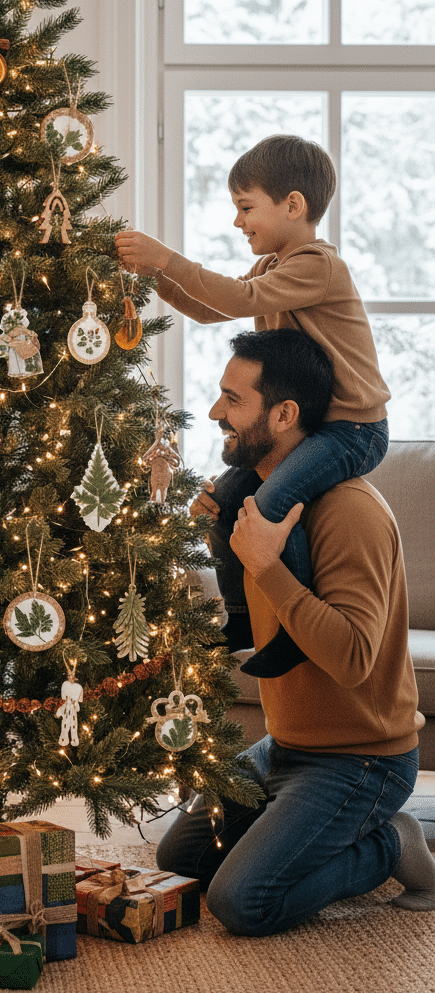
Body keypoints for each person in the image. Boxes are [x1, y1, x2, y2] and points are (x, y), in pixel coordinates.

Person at [155, 329, 433, 937]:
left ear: (283, 415)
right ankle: (303, 828)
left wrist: (266, 567)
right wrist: (226, 553)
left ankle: (389, 844)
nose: (213, 412)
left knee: (242, 903)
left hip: (360, 761)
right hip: (283, 747)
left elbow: (353, 658)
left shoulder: (348, 511)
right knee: (179, 862)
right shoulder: (258, 501)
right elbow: (261, 628)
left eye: (232, 399)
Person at [115, 135, 390, 679]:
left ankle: (296, 629)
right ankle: (241, 618)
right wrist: (155, 276)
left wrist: (168, 257)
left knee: (269, 506)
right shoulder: (273, 263)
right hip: (313, 432)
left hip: (352, 431)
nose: (238, 221)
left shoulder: (317, 265)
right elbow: (214, 309)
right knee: (222, 503)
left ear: (293, 205)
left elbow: (239, 301)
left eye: (246, 207)